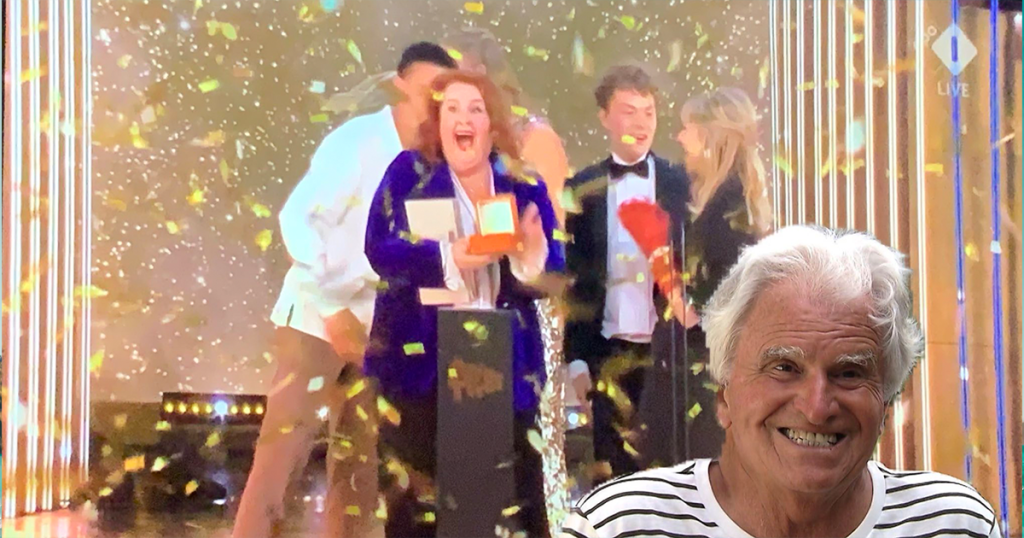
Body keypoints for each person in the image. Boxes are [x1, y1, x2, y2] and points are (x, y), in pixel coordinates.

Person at [560, 225, 1002, 538]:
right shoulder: (619, 527)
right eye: (784, 368)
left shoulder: (954, 526)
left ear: (885, 401)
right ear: (724, 394)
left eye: (849, 373)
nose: (816, 407)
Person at [232, 42, 456, 538]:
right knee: (282, 457)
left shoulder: (433, 162)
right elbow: (298, 220)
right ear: (400, 85)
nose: (437, 100)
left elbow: (427, 255)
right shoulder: (357, 142)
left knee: (359, 469)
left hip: (378, 328)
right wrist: (333, 310)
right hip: (317, 318)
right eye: (428, 88)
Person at [363, 70, 565, 537]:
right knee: (420, 509)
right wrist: (447, 257)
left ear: (492, 123)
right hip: (418, 372)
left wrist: (529, 257)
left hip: (503, 372)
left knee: (510, 506)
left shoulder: (521, 182)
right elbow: (379, 248)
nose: (464, 119)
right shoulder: (408, 173)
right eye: (452, 109)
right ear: (437, 122)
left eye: (476, 109)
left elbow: (552, 268)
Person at [441, 26, 576, 531]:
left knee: (528, 451)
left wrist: (522, 246)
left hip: (522, 308)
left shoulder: (531, 140)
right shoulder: (435, 155)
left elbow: (550, 239)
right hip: (458, 320)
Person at [563, 64, 690, 481]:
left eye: (648, 112)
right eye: (628, 111)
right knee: (615, 477)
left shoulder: (680, 183)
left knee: (670, 474)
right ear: (604, 117)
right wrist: (576, 360)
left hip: (668, 354)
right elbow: (575, 281)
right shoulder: (582, 188)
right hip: (606, 353)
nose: (641, 123)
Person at [637, 86, 773, 461]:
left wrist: (658, 257)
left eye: (688, 128)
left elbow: (699, 311)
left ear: (711, 136)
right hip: (696, 378)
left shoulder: (727, 211)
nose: (680, 138)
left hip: (700, 384)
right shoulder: (719, 201)